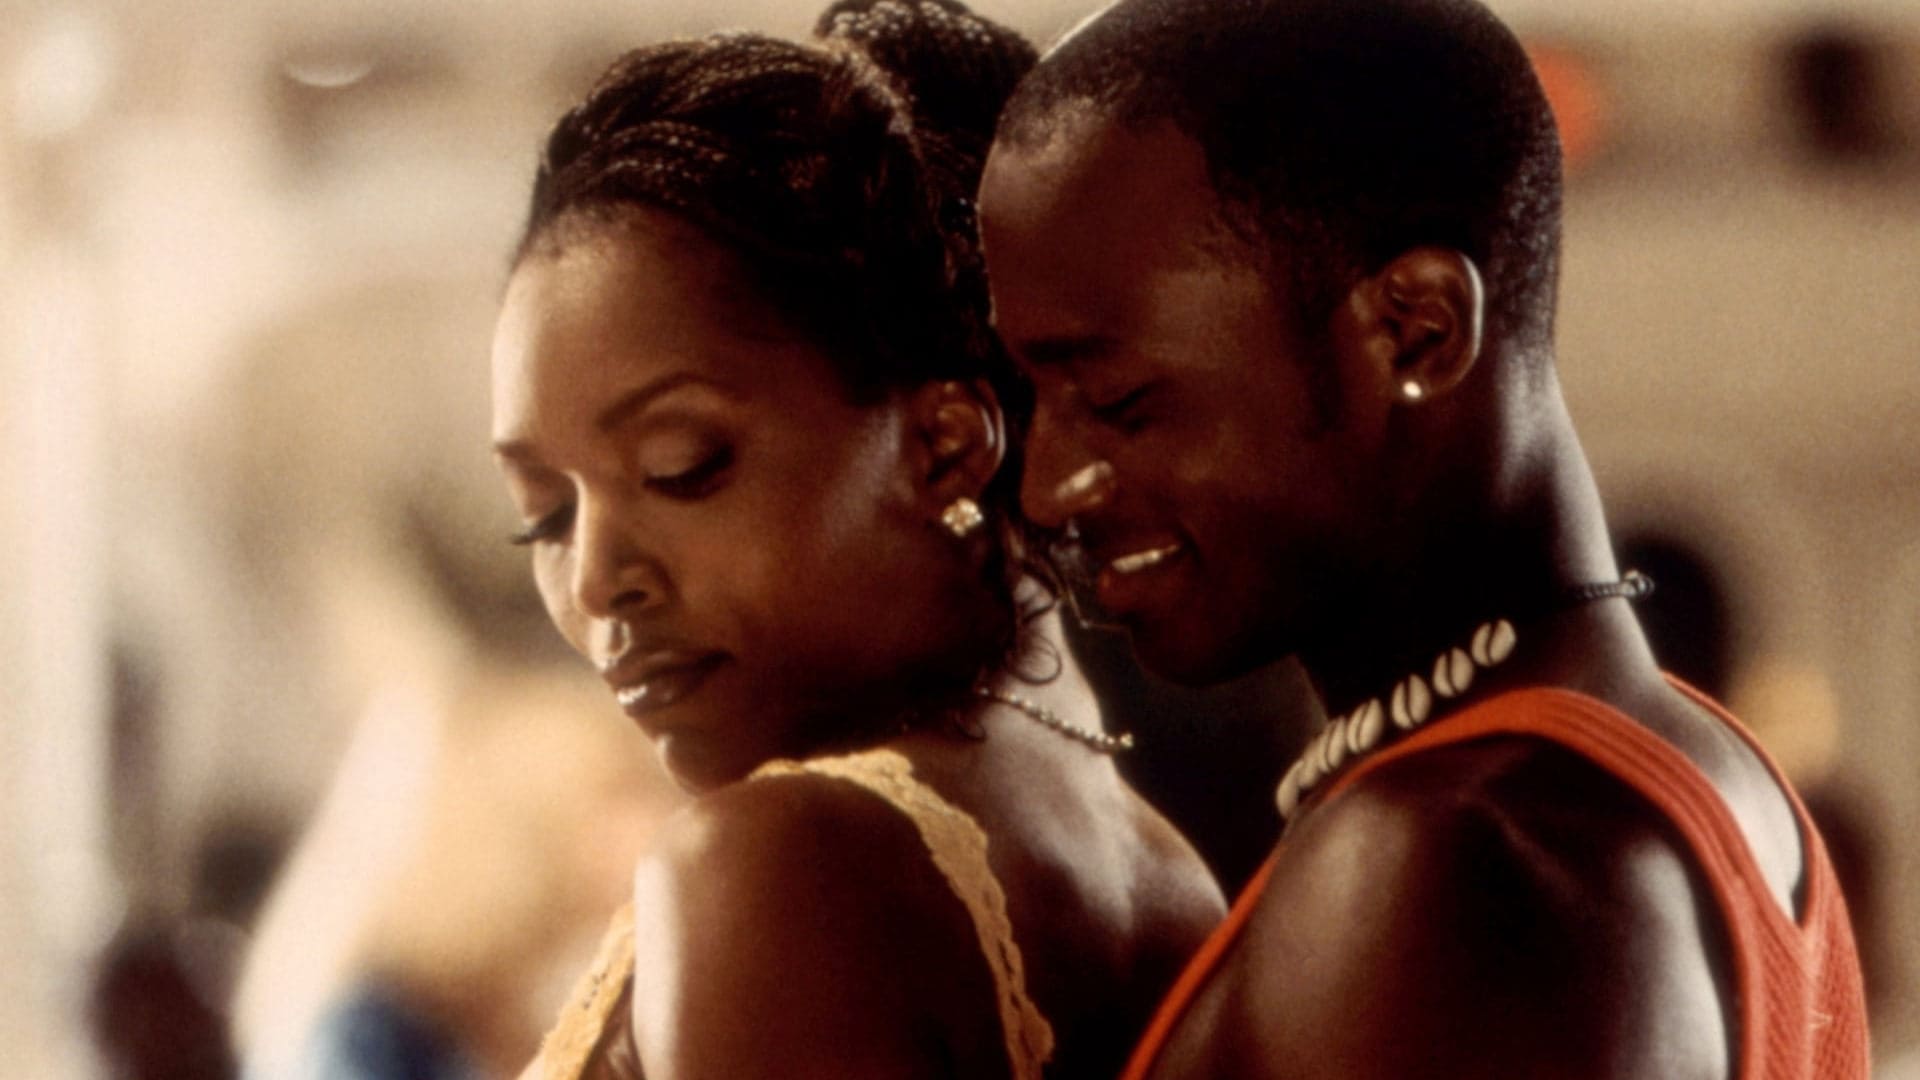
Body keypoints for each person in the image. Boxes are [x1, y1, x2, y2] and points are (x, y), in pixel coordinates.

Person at [975, 0, 1872, 1076]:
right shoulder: (1715, 779)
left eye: (1119, 403)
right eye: (1033, 399)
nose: (1047, 490)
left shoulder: (1441, 856)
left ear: (1416, 331)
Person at [488, 2, 1226, 1077]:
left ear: (942, 445)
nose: (597, 580)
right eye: (546, 517)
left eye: (682, 467)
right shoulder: (1165, 872)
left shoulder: (778, 861)